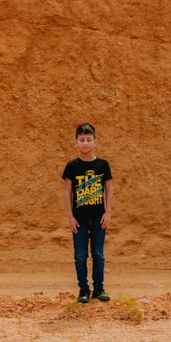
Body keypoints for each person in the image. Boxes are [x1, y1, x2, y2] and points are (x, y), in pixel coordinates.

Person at [62, 122, 114, 303]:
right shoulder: (72, 167)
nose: (85, 143)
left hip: (99, 219)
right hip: (79, 220)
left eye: (88, 139)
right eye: (81, 139)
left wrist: (108, 213)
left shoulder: (102, 165)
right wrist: (70, 216)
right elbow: (67, 191)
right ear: (76, 143)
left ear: (95, 142)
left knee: (98, 254)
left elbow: (109, 189)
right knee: (80, 255)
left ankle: (99, 289)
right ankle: (83, 289)